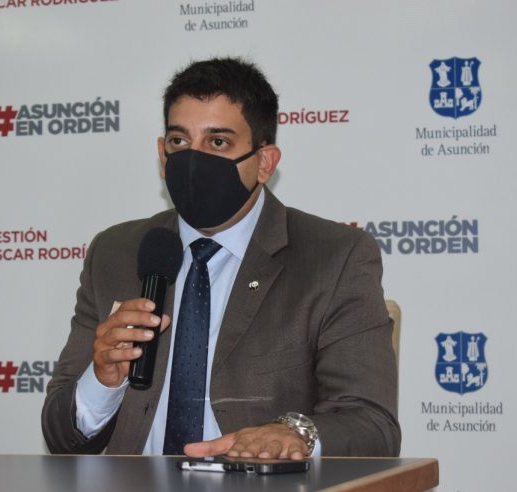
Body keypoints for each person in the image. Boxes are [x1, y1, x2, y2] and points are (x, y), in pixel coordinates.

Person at [42, 57, 400, 459]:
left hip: (259, 491)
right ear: (162, 154)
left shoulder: (333, 257)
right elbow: (61, 438)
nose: (194, 161)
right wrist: (103, 381)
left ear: (264, 162)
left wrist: (294, 435)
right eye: (179, 142)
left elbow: (372, 425)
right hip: (134, 489)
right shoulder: (116, 252)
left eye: (217, 143)